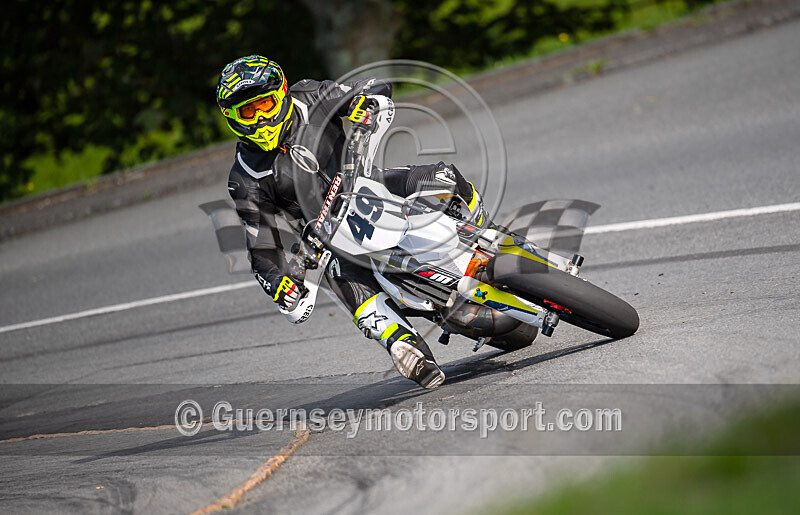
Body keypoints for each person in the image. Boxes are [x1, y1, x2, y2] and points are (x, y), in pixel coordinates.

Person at [217, 55, 489, 389]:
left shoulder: (309, 97)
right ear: (233, 118)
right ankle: (403, 345)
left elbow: (370, 85)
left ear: (283, 94)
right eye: (248, 111)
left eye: (264, 104)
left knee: (441, 175)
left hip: (367, 184)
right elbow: (260, 242)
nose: (260, 118)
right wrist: (277, 282)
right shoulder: (244, 178)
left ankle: (485, 228)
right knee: (338, 277)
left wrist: (365, 103)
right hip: (326, 236)